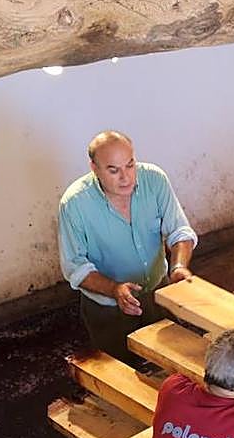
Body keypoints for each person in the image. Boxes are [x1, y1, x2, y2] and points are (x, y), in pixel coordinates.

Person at [59, 130, 198, 364]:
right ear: (94, 168)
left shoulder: (155, 180)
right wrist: (115, 289)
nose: (126, 177)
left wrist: (179, 267)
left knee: (168, 363)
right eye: (113, 170)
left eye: (130, 165)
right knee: (122, 373)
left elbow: (179, 231)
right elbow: (75, 267)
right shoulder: (75, 204)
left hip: (157, 292)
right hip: (108, 309)